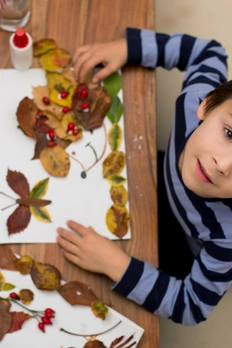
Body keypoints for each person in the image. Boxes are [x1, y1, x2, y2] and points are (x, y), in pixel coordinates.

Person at [56, 28, 232, 326]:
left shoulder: (227, 239)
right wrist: (127, 48)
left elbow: (192, 306)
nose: (223, 165)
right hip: (154, 176)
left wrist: (115, 264)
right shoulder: (194, 97)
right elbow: (208, 52)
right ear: (208, 103)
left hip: (182, 246)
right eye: (230, 133)